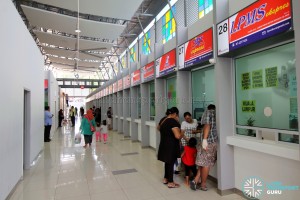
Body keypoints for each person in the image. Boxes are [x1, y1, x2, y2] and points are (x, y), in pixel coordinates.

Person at [190, 104, 218, 191]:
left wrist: (204, 140)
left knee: (203, 162)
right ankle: (203, 184)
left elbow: (207, 125)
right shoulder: (213, 113)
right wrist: (205, 140)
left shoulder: (208, 112)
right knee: (206, 163)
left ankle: (196, 180)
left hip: (205, 142)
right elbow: (208, 125)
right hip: (210, 142)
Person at [157, 107, 183, 188]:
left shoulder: (163, 119)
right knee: (171, 162)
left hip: (164, 144)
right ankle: (171, 182)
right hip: (171, 146)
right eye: (177, 115)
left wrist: (166, 133)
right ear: (175, 114)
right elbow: (178, 136)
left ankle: (165, 179)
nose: (177, 117)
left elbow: (158, 128)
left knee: (167, 162)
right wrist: (182, 132)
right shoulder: (173, 121)